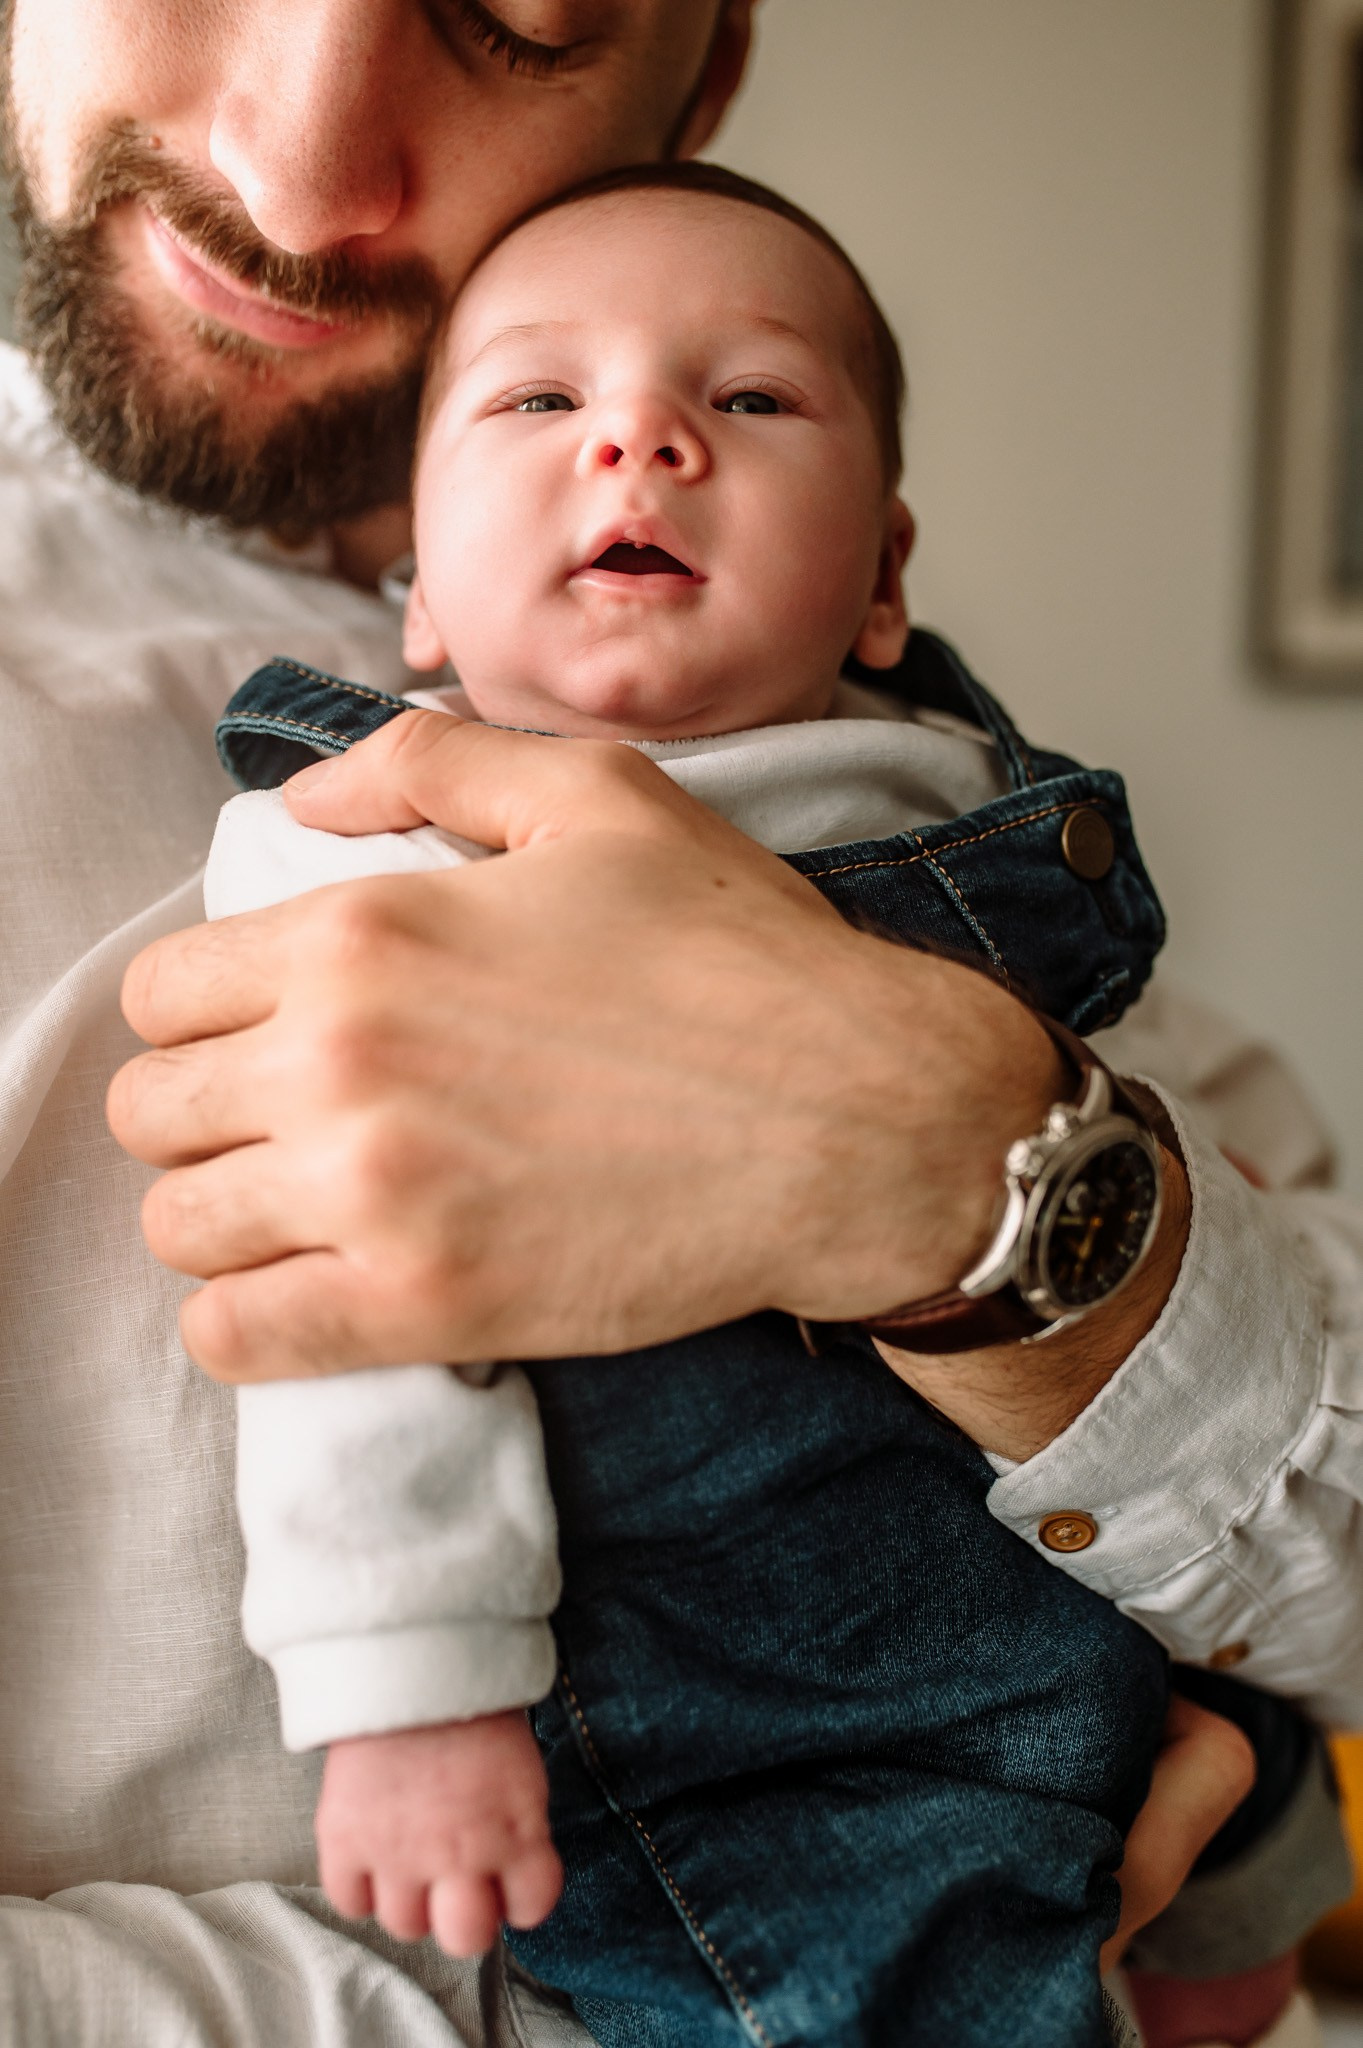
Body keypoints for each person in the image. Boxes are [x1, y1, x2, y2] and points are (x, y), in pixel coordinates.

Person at [0, 1, 1352, 2044]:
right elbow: (353, 1368)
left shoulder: (958, 790)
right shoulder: (337, 826)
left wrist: (992, 1192)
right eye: (534, 401)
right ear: (423, 635)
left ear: (700, 80)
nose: (301, 167)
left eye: (521, 15)